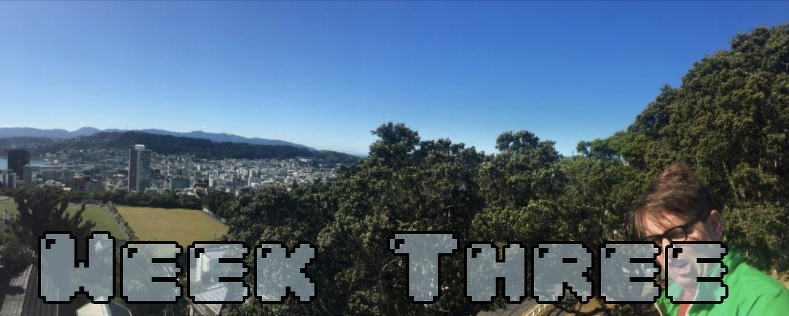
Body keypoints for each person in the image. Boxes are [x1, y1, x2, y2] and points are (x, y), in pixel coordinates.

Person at [632, 163, 789, 316]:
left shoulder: (765, 302)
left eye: (677, 234)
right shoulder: (670, 302)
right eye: (655, 241)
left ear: (714, 225)